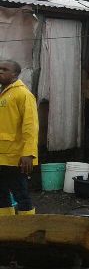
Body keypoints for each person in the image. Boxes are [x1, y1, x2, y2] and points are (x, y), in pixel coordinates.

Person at [0, 60, 38, 215]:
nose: (0, 71)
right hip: (2, 155)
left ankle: (27, 231)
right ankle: (7, 229)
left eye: (4, 69)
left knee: (20, 194)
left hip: (15, 157)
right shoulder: (4, 93)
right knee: (1, 195)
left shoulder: (23, 94)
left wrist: (28, 154)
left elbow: (31, 126)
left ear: (15, 74)